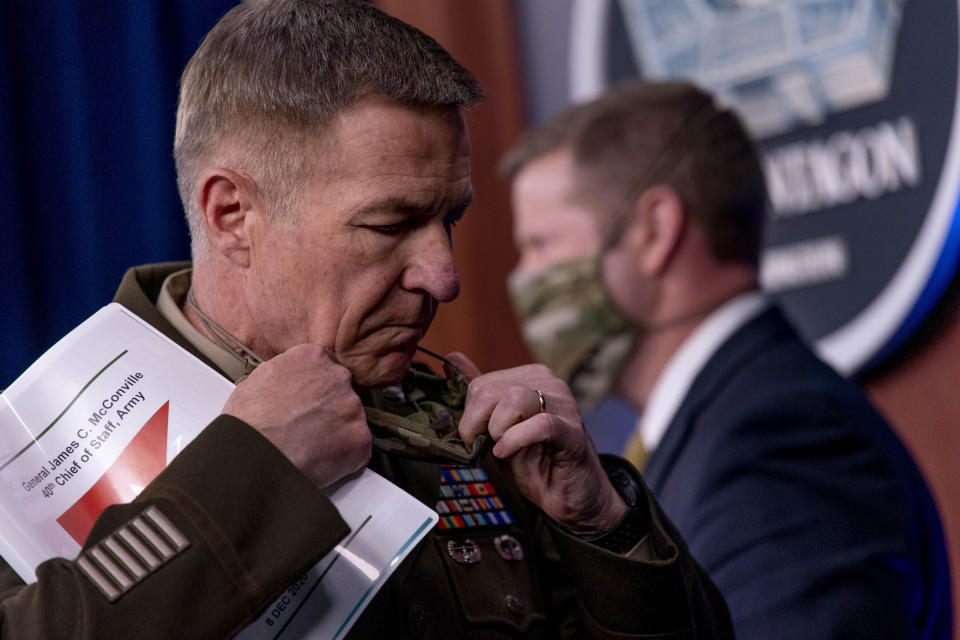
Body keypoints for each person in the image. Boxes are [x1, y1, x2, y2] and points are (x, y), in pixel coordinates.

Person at [0, 3, 734, 638]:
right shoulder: (32, 450)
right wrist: (254, 471)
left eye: (449, 219)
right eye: (390, 225)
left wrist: (602, 525)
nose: (443, 277)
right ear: (232, 215)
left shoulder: (462, 429)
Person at [500, 80, 952, 639]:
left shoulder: (782, 439)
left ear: (654, 231)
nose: (522, 278)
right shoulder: (725, 425)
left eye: (542, 244)